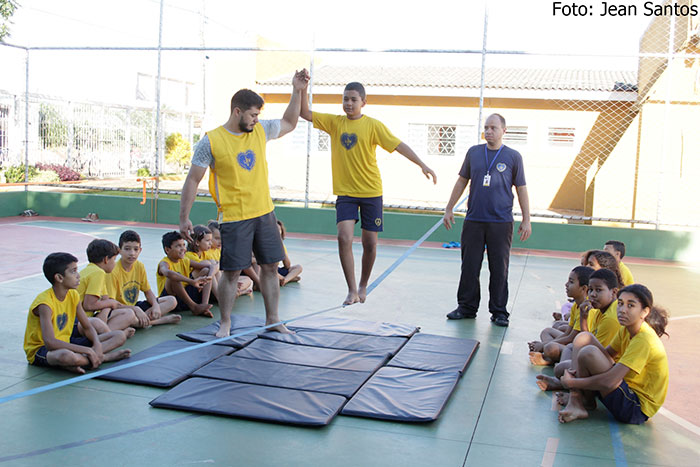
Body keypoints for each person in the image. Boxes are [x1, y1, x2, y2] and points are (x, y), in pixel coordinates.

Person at [179, 70, 310, 336]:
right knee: (230, 271)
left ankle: (272, 319)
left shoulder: (260, 130)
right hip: (235, 217)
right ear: (237, 111)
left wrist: (297, 91)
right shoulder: (211, 141)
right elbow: (192, 180)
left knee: (271, 267)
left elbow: (289, 122)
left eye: (258, 115)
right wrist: (184, 217)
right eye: (252, 115)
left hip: (264, 213)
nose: (256, 119)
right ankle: (225, 322)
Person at [300, 81, 437, 305]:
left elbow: (399, 145)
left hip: (371, 192)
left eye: (354, 99)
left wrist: (422, 164)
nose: (349, 103)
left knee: (370, 243)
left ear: (364, 102)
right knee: (344, 237)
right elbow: (304, 112)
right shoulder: (335, 123)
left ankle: (363, 284)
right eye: (345, 99)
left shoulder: (373, 126)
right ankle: (351, 289)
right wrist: (302, 88)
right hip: (346, 193)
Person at [443, 113, 531, 327]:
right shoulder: (474, 153)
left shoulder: (513, 156)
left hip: (500, 222)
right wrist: (449, 208)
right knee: (470, 266)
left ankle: (499, 311)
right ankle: (466, 307)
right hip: (474, 219)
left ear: (504, 131)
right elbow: (461, 181)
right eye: (486, 127)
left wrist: (526, 219)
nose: (489, 131)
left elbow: (521, 189)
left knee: (499, 268)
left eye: (493, 127)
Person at [557, 284, 669, 424]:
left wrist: (572, 382)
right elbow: (606, 355)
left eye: (630, 306)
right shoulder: (626, 329)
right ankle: (581, 400)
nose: (622, 310)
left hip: (635, 407)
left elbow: (609, 381)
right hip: (624, 389)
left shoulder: (644, 339)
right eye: (620, 304)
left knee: (588, 352)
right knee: (584, 338)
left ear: (644, 312)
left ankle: (576, 398)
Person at [23, 252, 131, 373]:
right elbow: (50, 342)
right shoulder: (45, 304)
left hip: (66, 341)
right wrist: (87, 350)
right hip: (42, 350)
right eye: (73, 271)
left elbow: (87, 326)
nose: (78, 275)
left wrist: (96, 344)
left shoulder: (73, 294)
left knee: (119, 336)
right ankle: (103, 358)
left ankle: (87, 359)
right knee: (65, 356)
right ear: (59, 278)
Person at [536, 268, 622, 391]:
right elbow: (587, 338)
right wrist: (583, 318)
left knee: (560, 367)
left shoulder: (611, 319)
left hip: (608, 369)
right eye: (591, 290)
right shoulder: (599, 309)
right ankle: (566, 381)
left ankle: (568, 386)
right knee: (568, 350)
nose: (592, 294)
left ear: (613, 292)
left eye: (598, 290)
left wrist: (545, 345)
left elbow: (594, 351)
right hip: (599, 359)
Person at [107, 230, 181, 326]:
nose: (132, 253)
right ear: (119, 250)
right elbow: (112, 304)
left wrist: (155, 306)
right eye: (127, 249)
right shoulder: (113, 271)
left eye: (135, 249)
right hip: (120, 310)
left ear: (140, 250)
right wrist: (136, 310)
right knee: (129, 315)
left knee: (171, 300)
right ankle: (156, 322)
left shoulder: (139, 266)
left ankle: (142, 321)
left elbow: (148, 291)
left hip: (133, 307)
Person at [528, 266, 594, 365]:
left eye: (571, 282)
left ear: (584, 288)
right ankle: (550, 355)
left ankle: (548, 360)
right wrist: (544, 344)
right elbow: (567, 334)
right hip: (572, 344)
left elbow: (571, 338)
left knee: (550, 348)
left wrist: (543, 345)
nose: (566, 284)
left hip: (579, 348)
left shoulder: (586, 309)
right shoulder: (576, 304)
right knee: (546, 332)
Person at [78, 239, 145, 332]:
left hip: (88, 318)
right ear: (106, 259)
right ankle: (105, 335)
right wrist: (110, 304)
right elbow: (88, 305)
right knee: (127, 316)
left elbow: (107, 300)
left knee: (128, 313)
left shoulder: (90, 270)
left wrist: (134, 308)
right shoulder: (98, 273)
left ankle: (104, 332)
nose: (115, 263)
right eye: (114, 259)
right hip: (80, 321)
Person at [157, 231, 214, 317]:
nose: (183, 248)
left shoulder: (185, 260)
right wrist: (191, 281)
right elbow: (167, 273)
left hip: (186, 296)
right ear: (167, 250)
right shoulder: (164, 263)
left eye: (184, 245)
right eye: (178, 246)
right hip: (172, 299)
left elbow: (210, 266)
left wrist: (210, 276)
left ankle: (204, 305)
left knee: (205, 270)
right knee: (174, 277)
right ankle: (194, 307)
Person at [207, 220, 254, 296]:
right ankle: (228, 294)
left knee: (248, 280)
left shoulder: (220, 250)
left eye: (222, 238)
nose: (220, 241)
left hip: (224, 278)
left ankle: (237, 291)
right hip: (216, 282)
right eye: (217, 238)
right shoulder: (206, 252)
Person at [276, 219, 302, 286]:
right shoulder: (264, 244)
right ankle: (288, 279)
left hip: (277, 270)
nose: (277, 232)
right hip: (268, 271)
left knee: (298, 267)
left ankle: (284, 280)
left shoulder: (281, 245)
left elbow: (287, 266)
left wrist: (281, 247)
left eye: (279, 230)